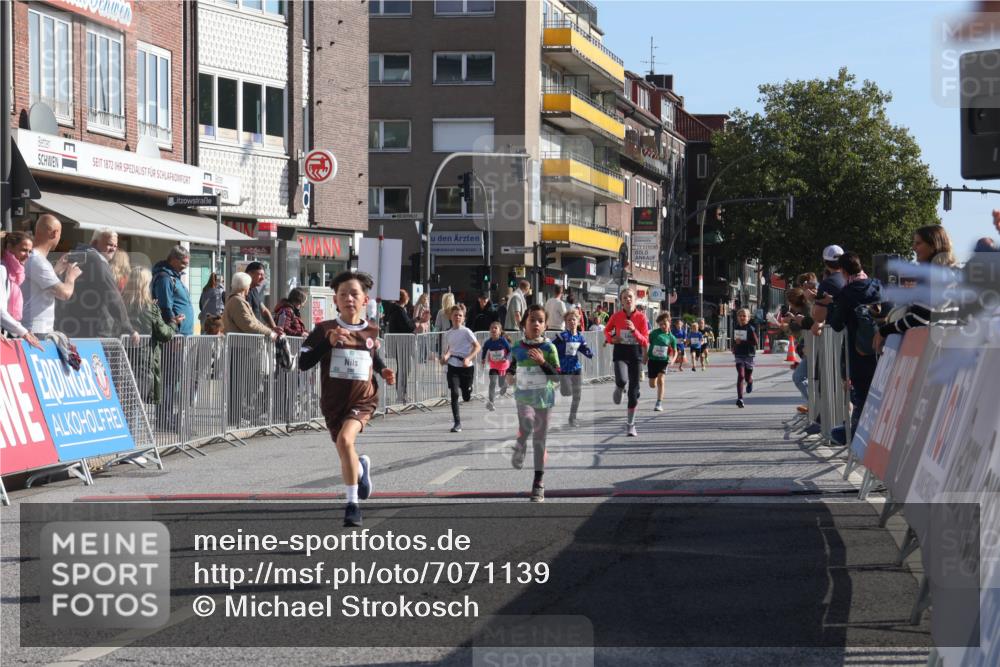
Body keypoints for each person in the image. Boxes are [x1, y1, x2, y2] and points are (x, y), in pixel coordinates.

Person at [298, 271, 396, 528]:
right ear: (335, 300)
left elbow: (370, 356)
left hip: (362, 400)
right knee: (345, 450)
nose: (349, 298)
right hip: (333, 403)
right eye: (343, 294)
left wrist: (383, 370)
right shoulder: (324, 329)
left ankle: (352, 505)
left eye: (354, 294)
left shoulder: (371, 330)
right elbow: (304, 363)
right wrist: (327, 344)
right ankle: (361, 469)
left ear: (365, 299)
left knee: (345, 440)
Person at [874, 224, 959, 352]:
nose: (913, 248)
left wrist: (884, 331)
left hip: (932, 354)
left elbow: (919, 319)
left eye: (918, 243)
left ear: (933, 246)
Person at [506, 304, 561, 502]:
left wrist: (542, 363)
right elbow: (511, 367)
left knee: (540, 441)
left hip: (544, 400)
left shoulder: (549, 348)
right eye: (532, 320)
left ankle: (538, 483)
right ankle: (520, 444)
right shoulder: (517, 348)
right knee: (527, 423)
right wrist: (509, 376)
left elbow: (556, 378)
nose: (536, 324)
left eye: (540, 321)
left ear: (546, 325)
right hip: (523, 397)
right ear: (524, 324)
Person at [828, 251, 883, 438]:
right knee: (879, 393)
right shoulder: (876, 285)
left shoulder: (847, 293)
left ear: (843, 271)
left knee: (861, 394)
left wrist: (832, 305)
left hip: (858, 351)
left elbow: (836, 325)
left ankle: (857, 437)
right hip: (882, 349)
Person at [55, 228, 138, 341]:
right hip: (94, 332)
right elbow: (113, 296)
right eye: (109, 244)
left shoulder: (75, 255)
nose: (112, 249)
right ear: (94, 243)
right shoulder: (97, 259)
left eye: (115, 246)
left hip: (70, 327)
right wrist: (129, 328)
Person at [122, 267, 175, 404]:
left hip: (123, 356)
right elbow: (164, 333)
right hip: (143, 359)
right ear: (145, 285)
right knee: (136, 402)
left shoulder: (121, 304)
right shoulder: (147, 307)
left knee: (126, 400)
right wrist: (174, 323)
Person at [21, 214, 81, 335]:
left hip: (32, 327)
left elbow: (40, 286)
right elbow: (64, 293)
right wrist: (71, 276)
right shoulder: (38, 261)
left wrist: (57, 270)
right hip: (36, 330)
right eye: (60, 234)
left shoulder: (33, 257)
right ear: (54, 233)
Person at [604, 287, 649, 436]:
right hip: (621, 353)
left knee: (634, 392)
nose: (628, 300)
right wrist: (611, 339)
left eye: (630, 297)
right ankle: (619, 387)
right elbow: (607, 330)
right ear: (621, 301)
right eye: (624, 298)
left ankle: (630, 424)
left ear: (635, 299)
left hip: (635, 355)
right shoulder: (616, 316)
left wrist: (634, 331)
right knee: (623, 380)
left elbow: (645, 340)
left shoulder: (641, 318)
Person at [440, 304, 480, 433]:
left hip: (466, 367)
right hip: (453, 366)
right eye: (455, 315)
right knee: (454, 394)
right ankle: (457, 423)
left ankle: (468, 389)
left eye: (460, 315)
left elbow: (477, 347)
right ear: (450, 317)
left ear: (463, 318)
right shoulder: (448, 333)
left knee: (466, 396)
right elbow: (449, 349)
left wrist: (468, 358)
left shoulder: (466, 331)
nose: (457, 317)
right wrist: (445, 357)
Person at [1, 231, 43, 349]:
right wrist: (24, 332)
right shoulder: (2, 270)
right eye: (24, 250)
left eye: (30, 251)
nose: (28, 255)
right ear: (9, 248)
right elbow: (1, 311)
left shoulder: (12, 273)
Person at [552, 309, 593, 427]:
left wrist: (589, 353)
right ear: (565, 322)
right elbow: (552, 346)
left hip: (576, 368)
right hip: (564, 370)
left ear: (578, 321)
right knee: (566, 392)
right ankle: (562, 387)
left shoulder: (580, 337)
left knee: (577, 394)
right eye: (569, 320)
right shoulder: (562, 336)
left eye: (573, 320)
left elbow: (583, 348)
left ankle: (572, 418)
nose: (571, 322)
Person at [152, 245, 194, 336]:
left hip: (183, 334)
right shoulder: (165, 279)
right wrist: (173, 332)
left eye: (187, 264)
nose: (185, 267)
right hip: (176, 335)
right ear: (174, 260)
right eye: (183, 263)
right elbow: (165, 307)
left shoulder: (175, 277)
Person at [810, 245, 847, 336]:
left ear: (825, 262)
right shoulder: (851, 278)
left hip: (836, 335)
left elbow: (819, 316)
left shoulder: (827, 283)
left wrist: (811, 299)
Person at [645, 312, 678, 412]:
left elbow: (675, 351)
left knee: (661, 379)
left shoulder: (672, 338)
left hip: (663, 361)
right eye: (661, 324)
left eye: (665, 323)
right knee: (652, 385)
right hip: (652, 361)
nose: (663, 326)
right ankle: (654, 383)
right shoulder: (654, 333)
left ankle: (659, 403)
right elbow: (645, 341)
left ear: (669, 323)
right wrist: (645, 354)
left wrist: (672, 360)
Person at [480, 320, 512, 410]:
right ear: (489, 330)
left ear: (500, 331)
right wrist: (482, 359)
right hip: (493, 365)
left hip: (502, 365)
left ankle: (505, 385)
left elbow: (510, 350)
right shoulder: (488, 342)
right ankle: (491, 402)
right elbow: (484, 350)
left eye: (495, 328)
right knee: (492, 383)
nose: (493, 329)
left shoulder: (503, 340)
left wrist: (506, 357)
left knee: (501, 384)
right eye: (491, 328)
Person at [733, 308, 759, 408]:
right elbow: (735, 340)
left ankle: (750, 382)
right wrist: (734, 346)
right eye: (740, 316)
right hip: (739, 355)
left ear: (748, 318)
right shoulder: (736, 327)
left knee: (747, 377)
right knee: (741, 375)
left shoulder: (750, 328)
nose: (742, 317)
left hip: (749, 355)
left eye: (744, 316)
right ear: (737, 318)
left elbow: (755, 343)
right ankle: (740, 399)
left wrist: (743, 342)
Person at [244, 261, 278, 330]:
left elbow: (264, 310)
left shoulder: (254, 290)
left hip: (255, 332)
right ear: (250, 274)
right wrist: (267, 330)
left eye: (263, 275)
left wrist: (274, 327)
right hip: (246, 334)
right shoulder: (242, 291)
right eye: (260, 274)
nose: (263, 278)